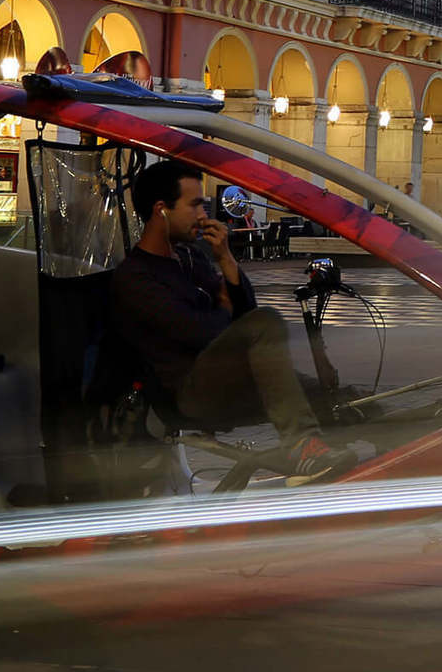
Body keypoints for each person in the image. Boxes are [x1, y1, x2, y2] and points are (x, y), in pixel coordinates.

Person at [109, 161, 347, 480]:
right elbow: (204, 332)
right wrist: (223, 308)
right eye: (194, 205)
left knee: (326, 393)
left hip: (227, 377)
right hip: (187, 394)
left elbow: (244, 316)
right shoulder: (136, 276)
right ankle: (302, 446)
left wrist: (226, 259)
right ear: (161, 210)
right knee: (266, 322)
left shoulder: (190, 257)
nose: (203, 215)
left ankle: (376, 430)